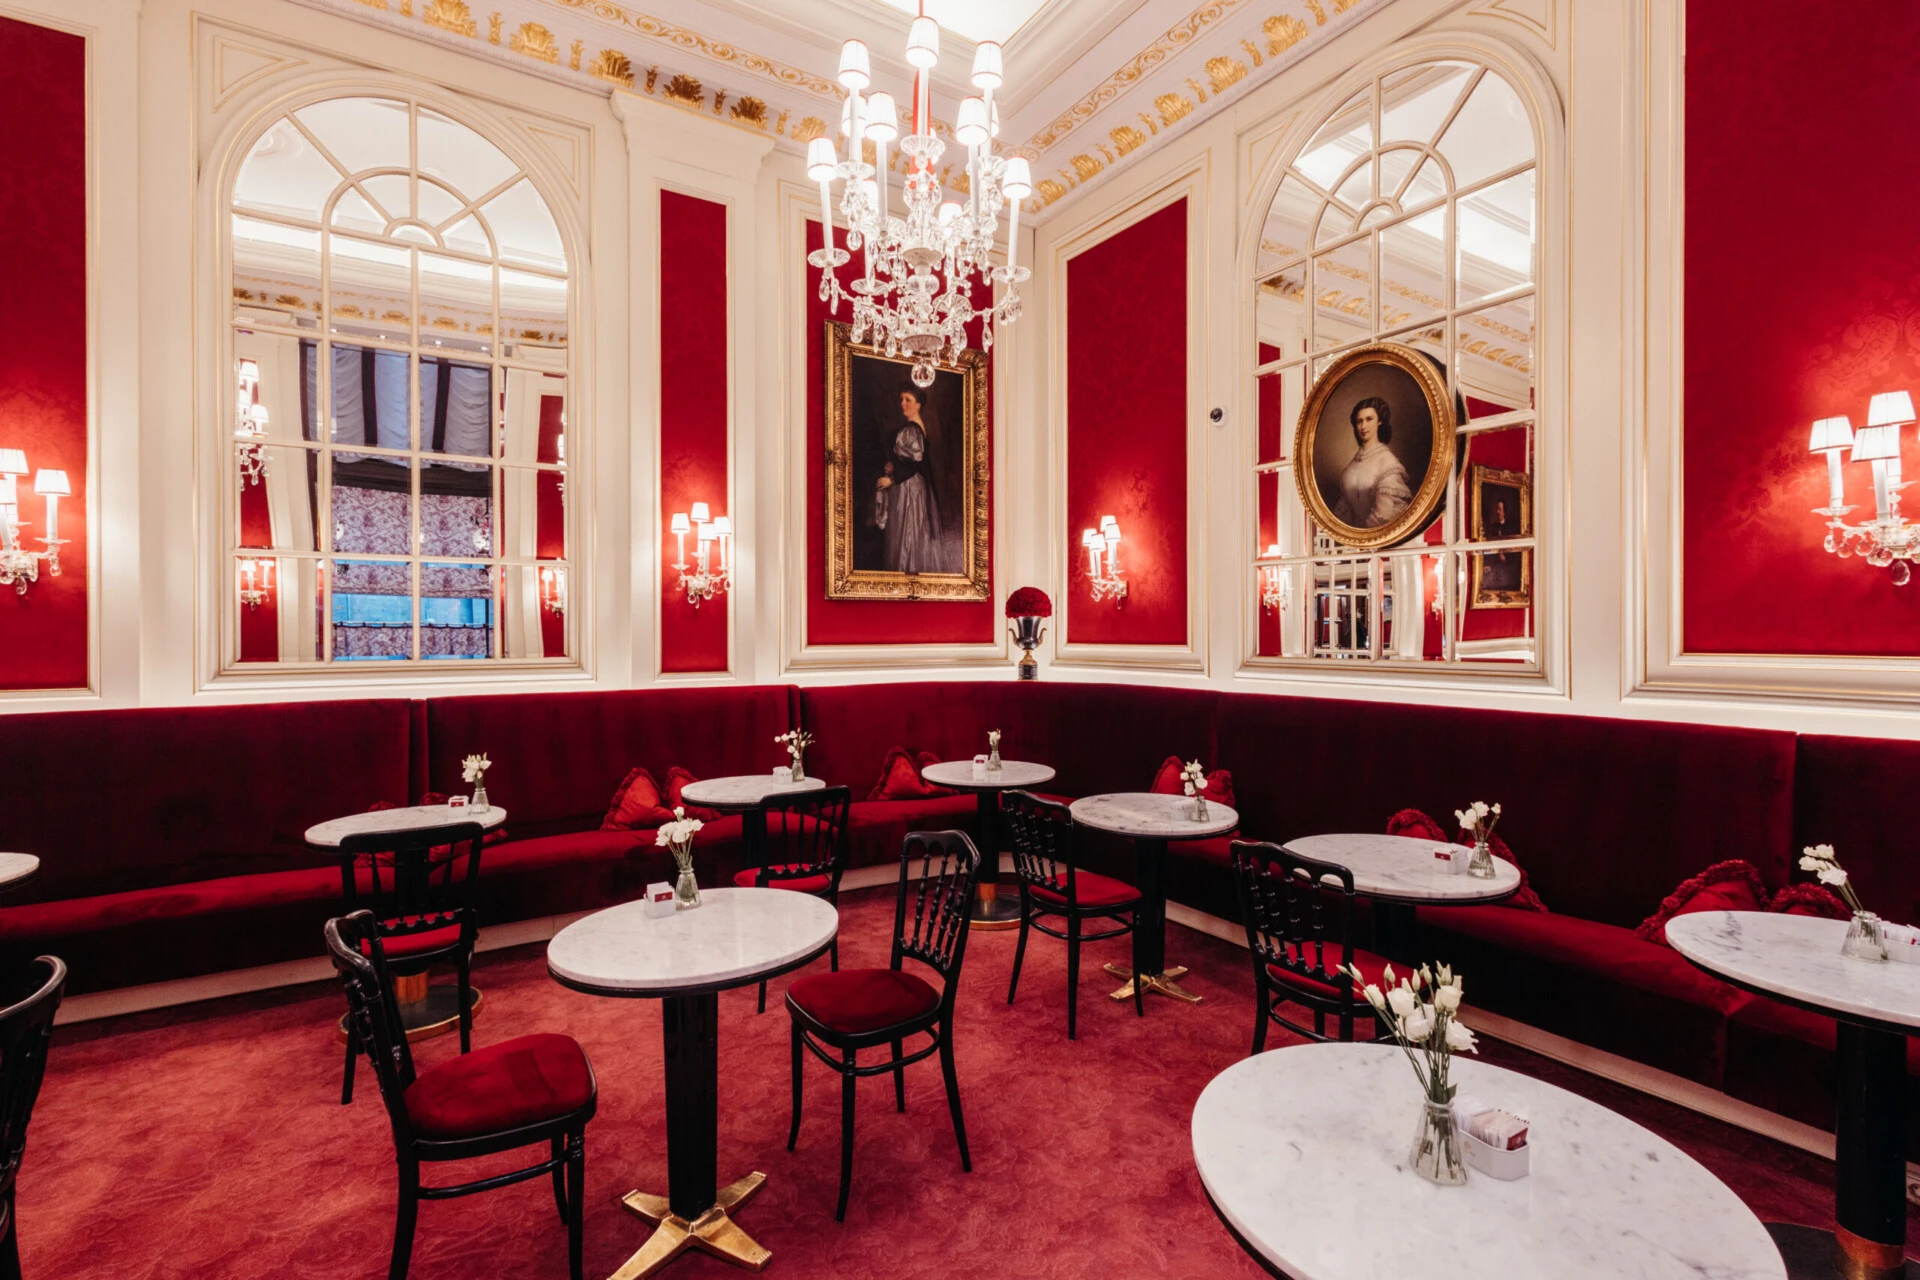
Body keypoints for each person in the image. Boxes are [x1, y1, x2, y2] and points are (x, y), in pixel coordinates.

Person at [872, 384, 943, 573]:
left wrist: (892, 479)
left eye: (908, 400)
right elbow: (908, 459)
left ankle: (908, 572)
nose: (902, 403)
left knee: (909, 531)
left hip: (909, 487)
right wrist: (893, 465)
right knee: (904, 530)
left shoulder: (913, 428)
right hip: (908, 484)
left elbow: (914, 464)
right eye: (901, 399)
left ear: (918, 405)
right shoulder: (914, 427)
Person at [1328, 396, 1412, 529]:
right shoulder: (1349, 469)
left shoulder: (1387, 461)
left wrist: (1364, 536)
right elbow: (1344, 513)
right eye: (1359, 421)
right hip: (1355, 542)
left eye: (1369, 419)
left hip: (1379, 539)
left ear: (1379, 421)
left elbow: (1385, 513)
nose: (1363, 426)